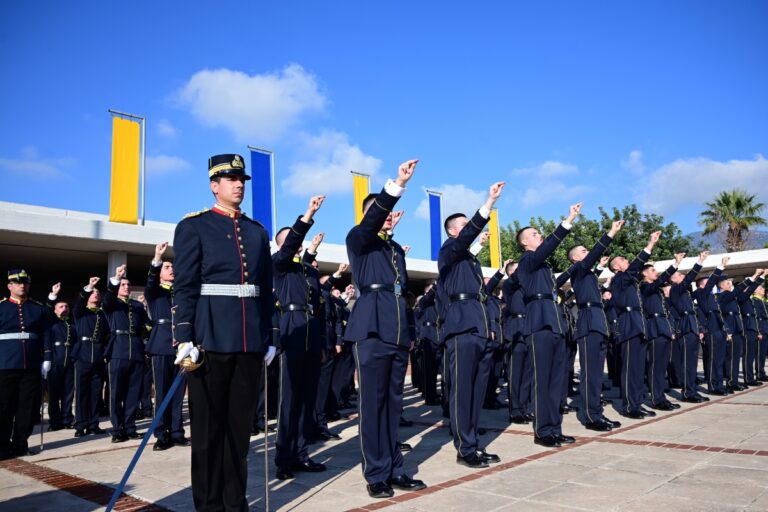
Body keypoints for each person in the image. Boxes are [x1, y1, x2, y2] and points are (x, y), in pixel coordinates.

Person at [172, 153, 277, 511]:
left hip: (248, 341)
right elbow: (185, 285)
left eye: (241, 180)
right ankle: (209, 505)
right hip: (209, 339)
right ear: (214, 186)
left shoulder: (257, 232)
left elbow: (266, 288)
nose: (238, 185)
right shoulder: (194, 227)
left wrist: (270, 336)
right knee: (207, 432)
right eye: (231, 179)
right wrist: (184, 335)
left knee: (238, 432)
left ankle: (235, 504)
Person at [345, 159, 426, 498]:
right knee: (372, 405)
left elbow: (402, 292)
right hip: (371, 329)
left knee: (393, 404)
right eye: (383, 212)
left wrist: (409, 332)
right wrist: (397, 186)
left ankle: (395, 468)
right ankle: (376, 472)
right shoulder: (359, 238)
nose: (389, 216)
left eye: (391, 213)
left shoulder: (392, 248)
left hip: (396, 330)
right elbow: (372, 221)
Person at [438, 182, 505, 466]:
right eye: (463, 225)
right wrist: (488, 203)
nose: (468, 229)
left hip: (479, 328)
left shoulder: (468, 260)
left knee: (477, 390)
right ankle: (465, 449)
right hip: (461, 328)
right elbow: (466, 239)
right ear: (454, 231)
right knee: (463, 390)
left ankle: (473, 442)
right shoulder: (449, 250)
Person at [515, 203, 581, 447]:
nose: (539, 235)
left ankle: (555, 428)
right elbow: (549, 247)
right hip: (539, 325)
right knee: (542, 381)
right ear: (524, 243)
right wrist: (568, 220)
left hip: (554, 324)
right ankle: (542, 431)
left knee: (557, 381)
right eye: (534, 234)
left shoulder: (544, 266)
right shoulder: (527, 260)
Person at [272, 196, 329, 480]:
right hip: (291, 330)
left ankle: (301, 453)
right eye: (290, 240)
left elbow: (319, 306)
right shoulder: (279, 265)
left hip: (311, 332)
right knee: (289, 400)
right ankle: (284, 458)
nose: (296, 243)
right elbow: (290, 248)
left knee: (307, 398)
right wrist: (307, 215)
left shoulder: (307, 270)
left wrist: (322, 343)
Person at [554, 220, 624, 431]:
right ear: (575, 258)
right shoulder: (579, 269)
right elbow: (594, 255)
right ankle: (591, 417)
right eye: (583, 251)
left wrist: (600, 267)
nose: (588, 253)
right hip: (588, 323)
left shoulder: (588, 273)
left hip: (598, 321)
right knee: (590, 374)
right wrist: (611, 232)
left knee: (596, 373)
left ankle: (597, 413)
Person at [609, 230, 662, 419]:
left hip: (639, 325)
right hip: (629, 326)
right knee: (630, 369)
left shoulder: (630, 281)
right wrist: (650, 244)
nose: (627, 261)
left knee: (639, 370)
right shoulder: (619, 279)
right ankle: (630, 406)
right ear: (616, 267)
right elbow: (635, 268)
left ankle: (637, 402)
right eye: (623, 260)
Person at [0, 269, 53, 459]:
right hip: (5, 364)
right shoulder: (2, 307)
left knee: (28, 408)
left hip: (30, 364)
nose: (22, 286)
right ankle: (2, 446)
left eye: (25, 283)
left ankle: (20, 444)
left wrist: (47, 357)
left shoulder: (38, 309)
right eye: (18, 283)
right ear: (9, 286)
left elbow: (46, 333)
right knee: (4, 407)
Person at [145, 242, 188, 451]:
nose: (172, 270)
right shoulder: (155, 292)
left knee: (179, 393)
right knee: (162, 392)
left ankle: (177, 432)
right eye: (167, 267)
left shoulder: (181, 293)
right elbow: (151, 282)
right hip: (161, 345)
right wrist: (157, 259)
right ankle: (161, 434)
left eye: (172, 267)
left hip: (181, 347)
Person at [639, 253, 683, 411]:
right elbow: (657, 282)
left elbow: (666, 310)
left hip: (664, 327)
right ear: (645, 274)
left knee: (662, 366)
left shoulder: (657, 290)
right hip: (654, 328)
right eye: (652, 270)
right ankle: (656, 399)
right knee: (655, 365)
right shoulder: (645, 287)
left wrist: (671, 329)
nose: (656, 272)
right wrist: (675, 264)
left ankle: (661, 397)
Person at [71, 277, 109, 438]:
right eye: (93, 292)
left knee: (96, 392)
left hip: (98, 355)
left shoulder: (103, 314)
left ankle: (93, 424)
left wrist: (105, 352)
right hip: (83, 354)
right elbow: (79, 304)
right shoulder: (81, 311)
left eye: (98, 292)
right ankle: (80, 425)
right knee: (81, 392)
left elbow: (107, 335)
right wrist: (89, 287)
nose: (96, 294)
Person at [668, 251, 708, 402]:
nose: (684, 277)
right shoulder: (676, 289)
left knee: (692, 363)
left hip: (692, 327)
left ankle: (692, 390)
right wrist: (700, 261)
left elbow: (694, 313)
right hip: (684, 328)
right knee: (687, 363)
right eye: (681, 275)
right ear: (674, 279)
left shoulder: (685, 292)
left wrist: (699, 329)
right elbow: (689, 279)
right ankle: (687, 392)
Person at [693, 257, 730, 395]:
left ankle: (719, 384)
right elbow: (711, 284)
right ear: (701, 285)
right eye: (707, 282)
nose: (710, 284)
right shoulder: (701, 293)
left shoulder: (712, 296)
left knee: (719, 360)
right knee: (713, 360)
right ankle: (713, 386)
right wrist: (720, 266)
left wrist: (726, 330)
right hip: (711, 331)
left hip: (719, 329)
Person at [502, 261, 533, 425]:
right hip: (515, 331)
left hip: (529, 329)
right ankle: (515, 410)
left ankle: (524, 408)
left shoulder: (527, 287)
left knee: (527, 374)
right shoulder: (509, 286)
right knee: (515, 374)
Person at [46, 288, 77, 431]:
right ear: (55, 310)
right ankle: (54, 421)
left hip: (69, 360)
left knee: (68, 393)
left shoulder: (72, 324)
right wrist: (54, 295)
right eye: (61, 307)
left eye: (66, 306)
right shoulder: (51, 321)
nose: (65, 308)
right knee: (54, 394)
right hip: (55, 360)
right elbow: (48, 310)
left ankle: (67, 419)